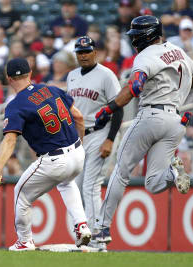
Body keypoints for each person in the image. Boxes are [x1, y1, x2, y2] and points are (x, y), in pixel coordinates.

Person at [92, 15, 193, 243]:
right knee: (153, 182)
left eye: (136, 36)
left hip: (152, 115)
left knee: (121, 171)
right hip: (176, 121)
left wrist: (110, 108)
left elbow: (136, 86)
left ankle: (101, 228)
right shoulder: (178, 50)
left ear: (147, 36)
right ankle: (173, 173)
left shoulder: (145, 55)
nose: (133, 41)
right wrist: (178, 97)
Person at [0, 58, 90, 251]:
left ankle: (25, 241)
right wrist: (80, 146)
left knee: (21, 194)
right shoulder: (50, 89)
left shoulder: (15, 105)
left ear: (8, 79)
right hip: (77, 153)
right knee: (67, 183)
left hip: (54, 159)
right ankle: (82, 225)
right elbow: (78, 116)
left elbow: (10, 140)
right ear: (30, 73)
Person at [67, 36, 123, 247]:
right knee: (77, 187)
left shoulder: (106, 75)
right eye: (79, 52)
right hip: (80, 135)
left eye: (87, 51)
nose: (83, 55)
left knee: (91, 186)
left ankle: (97, 241)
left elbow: (118, 108)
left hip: (102, 131)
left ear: (95, 52)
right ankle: (85, 235)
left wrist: (110, 139)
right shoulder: (72, 76)